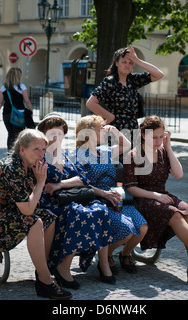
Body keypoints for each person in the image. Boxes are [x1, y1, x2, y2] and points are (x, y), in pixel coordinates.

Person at [123, 115, 188, 286]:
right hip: (143, 199)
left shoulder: (163, 151)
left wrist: (168, 146)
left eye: (161, 136)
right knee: (175, 214)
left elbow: (179, 174)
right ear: (143, 135)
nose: (158, 141)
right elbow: (131, 188)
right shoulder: (134, 154)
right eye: (154, 137)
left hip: (163, 195)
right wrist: (155, 196)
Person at [0, 129, 71, 299]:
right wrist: (40, 182)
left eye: (43, 150)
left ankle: (41, 271)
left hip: (7, 213)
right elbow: (28, 210)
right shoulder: (11, 168)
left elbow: (31, 203)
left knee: (49, 218)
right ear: (22, 150)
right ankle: (46, 281)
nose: (41, 154)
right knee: (35, 221)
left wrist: (39, 180)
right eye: (36, 149)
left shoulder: (29, 166)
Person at [38, 113, 115, 289]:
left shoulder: (65, 155)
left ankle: (98, 264)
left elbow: (83, 178)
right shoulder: (40, 155)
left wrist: (59, 185)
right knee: (78, 213)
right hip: (50, 204)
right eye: (53, 134)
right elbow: (50, 180)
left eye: (60, 134)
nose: (57, 138)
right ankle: (62, 266)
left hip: (69, 198)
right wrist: (59, 181)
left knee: (100, 209)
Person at [75, 115, 148, 275]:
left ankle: (116, 254)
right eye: (99, 129)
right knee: (126, 230)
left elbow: (127, 145)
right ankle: (105, 257)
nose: (103, 131)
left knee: (142, 228)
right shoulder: (80, 154)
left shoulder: (104, 151)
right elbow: (81, 181)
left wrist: (115, 131)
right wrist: (103, 193)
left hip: (116, 197)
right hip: (96, 199)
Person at [86, 45, 164, 143]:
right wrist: (110, 116)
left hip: (133, 132)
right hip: (116, 132)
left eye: (130, 63)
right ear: (116, 63)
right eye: (124, 62)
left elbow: (159, 74)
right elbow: (90, 103)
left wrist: (137, 60)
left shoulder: (133, 80)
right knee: (118, 158)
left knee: (132, 158)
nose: (127, 65)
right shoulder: (110, 82)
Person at [0, 68, 34, 152]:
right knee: (18, 135)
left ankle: (10, 154)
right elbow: (27, 101)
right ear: (18, 76)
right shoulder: (21, 87)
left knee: (10, 134)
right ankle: (17, 155)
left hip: (7, 114)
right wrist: (31, 112)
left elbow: (0, 102)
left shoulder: (3, 87)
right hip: (19, 114)